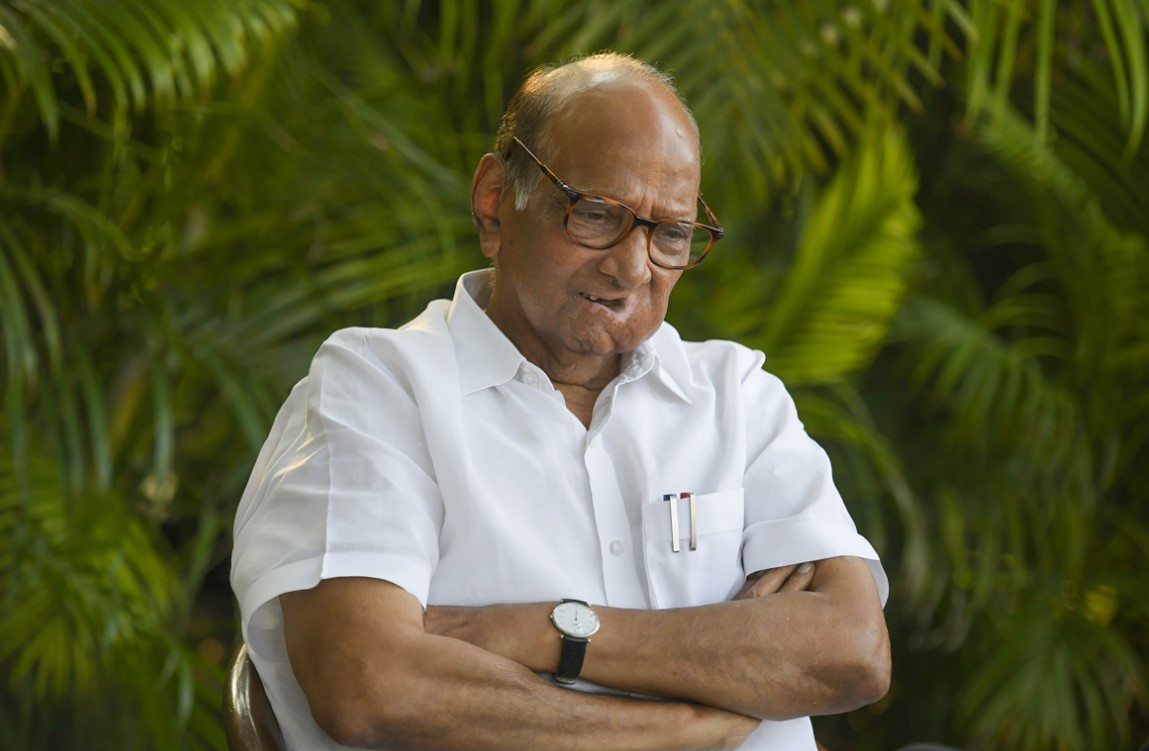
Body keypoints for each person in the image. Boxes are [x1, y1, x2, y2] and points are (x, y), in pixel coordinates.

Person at [231, 51, 891, 751]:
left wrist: (553, 632)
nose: (631, 268)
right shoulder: (378, 389)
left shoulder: (736, 396)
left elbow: (852, 651)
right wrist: (681, 727)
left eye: (670, 234)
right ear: (495, 202)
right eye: (597, 214)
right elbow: (370, 683)